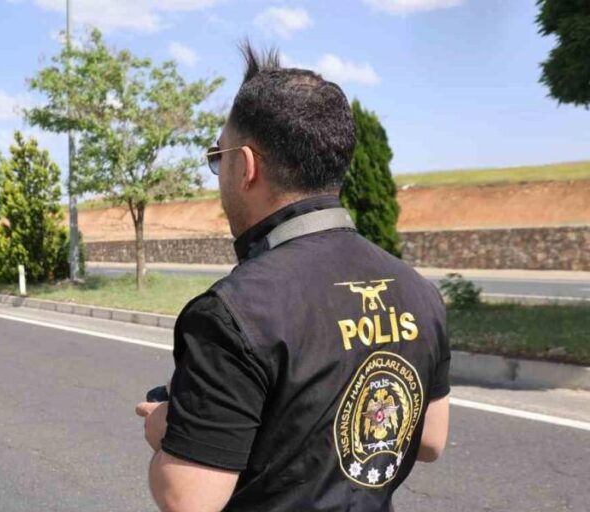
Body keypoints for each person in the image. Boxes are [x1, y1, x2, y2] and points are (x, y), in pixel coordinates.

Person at [135, 44, 450, 511]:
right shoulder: (419, 292)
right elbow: (430, 439)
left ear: (246, 165)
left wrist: (166, 427)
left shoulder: (233, 313)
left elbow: (189, 500)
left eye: (219, 158)